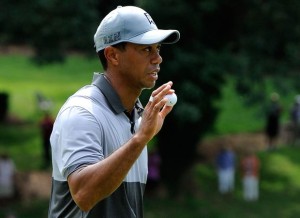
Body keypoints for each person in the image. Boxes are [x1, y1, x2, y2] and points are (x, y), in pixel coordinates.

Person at [48, 5, 180, 218]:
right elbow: (84, 194)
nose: (157, 58)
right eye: (146, 49)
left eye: (158, 49)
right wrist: (140, 139)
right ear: (113, 56)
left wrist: (141, 136)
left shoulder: (137, 120)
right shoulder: (82, 113)